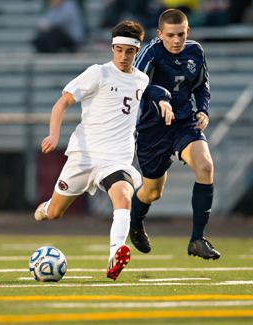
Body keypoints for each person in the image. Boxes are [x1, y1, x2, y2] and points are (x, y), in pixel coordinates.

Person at [34, 20, 174, 280]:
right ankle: (47, 206)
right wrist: (54, 134)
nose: (123, 56)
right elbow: (62, 102)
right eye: (119, 49)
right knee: (54, 213)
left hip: (116, 160)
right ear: (112, 47)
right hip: (83, 157)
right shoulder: (98, 73)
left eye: (129, 51)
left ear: (137, 51)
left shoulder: (141, 79)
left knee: (123, 197)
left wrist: (165, 101)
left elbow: (151, 90)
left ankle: (115, 255)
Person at [130, 9, 220, 260]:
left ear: (187, 31)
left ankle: (197, 239)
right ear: (159, 35)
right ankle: (135, 224)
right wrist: (160, 97)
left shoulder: (196, 51)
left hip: (183, 123)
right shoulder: (150, 52)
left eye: (181, 34)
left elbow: (201, 85)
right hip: (153, 129)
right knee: (152, 192)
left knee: (205, 165)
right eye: (170, 35)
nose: (176, 40)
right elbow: (135, 83)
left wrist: (202, 111)